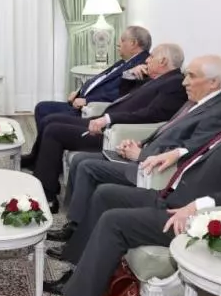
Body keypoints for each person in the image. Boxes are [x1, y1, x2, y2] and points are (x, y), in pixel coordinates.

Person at [28, 51, 221, 296]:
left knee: (114, 221)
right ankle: (78, 274)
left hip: (192, 217)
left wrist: (200, 205)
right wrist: (174, 155)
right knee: (106, 194)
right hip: (174, 196)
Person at [48, 55, 221, 260]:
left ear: (213, 82)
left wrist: (142, 154)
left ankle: (76, 230)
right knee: (82, 161)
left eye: (191, 76)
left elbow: (190, 149)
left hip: (154, 170)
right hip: (144, 155)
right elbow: (167, 129)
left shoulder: (219, 111)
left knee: (88, 167)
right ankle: (76, 226)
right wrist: (141, 144)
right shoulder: (196, 102)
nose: (185, 82)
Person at [31, 44, 187, 211]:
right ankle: (43, 176)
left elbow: (150, 115)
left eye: (152, 56)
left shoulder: (175, 84)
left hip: (115, 131)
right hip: (107, 121)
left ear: (163, 61)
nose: (147, 60)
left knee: (54, 131)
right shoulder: (156, 78)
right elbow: (124, 97)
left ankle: (47, 196)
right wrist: (129, 75)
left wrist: (109, 119)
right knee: (51, 120)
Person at [22, 25, 151, 167]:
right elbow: (99, 80)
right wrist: (78, 91)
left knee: (48, 119)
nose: (118, 43)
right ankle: (41, 156)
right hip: (81, 100)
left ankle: (42, 160)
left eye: (122, 40)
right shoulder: (126, 61)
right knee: (42, 108)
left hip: (90, 109)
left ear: (133, 43)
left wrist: (87, 100)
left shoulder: (141, 67)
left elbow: (119, 95)